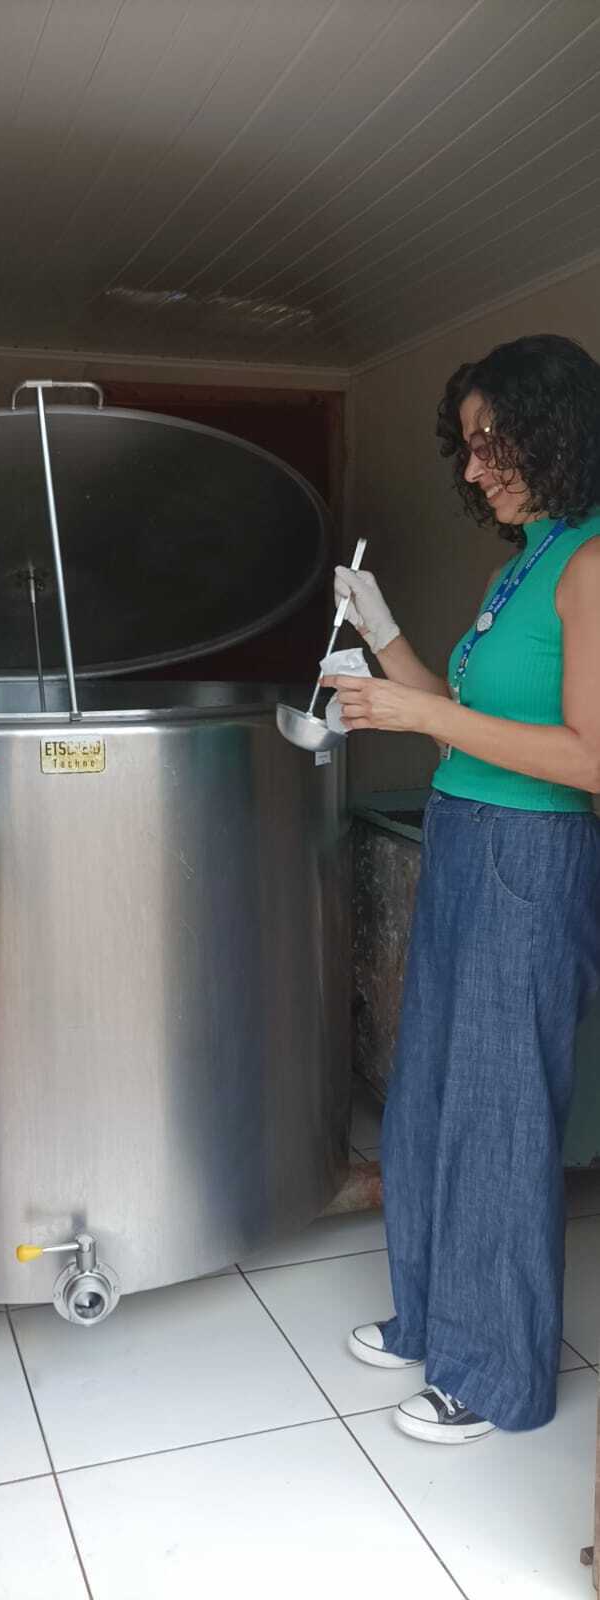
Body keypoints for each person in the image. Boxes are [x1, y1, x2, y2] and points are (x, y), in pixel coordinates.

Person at [325, 333, 600, 1444]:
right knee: (430, 1091)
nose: (476, 469)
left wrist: (419, 713)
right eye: (470, 447)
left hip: (532, 857)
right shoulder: (522, 563)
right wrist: (381, 633)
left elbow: (589, 757)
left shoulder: (591, 564)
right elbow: (464, 722)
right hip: (463, 836)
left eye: (494, 444)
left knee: (499, 1111)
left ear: (556, 435)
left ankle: (494, 1375)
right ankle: (435, 1319)